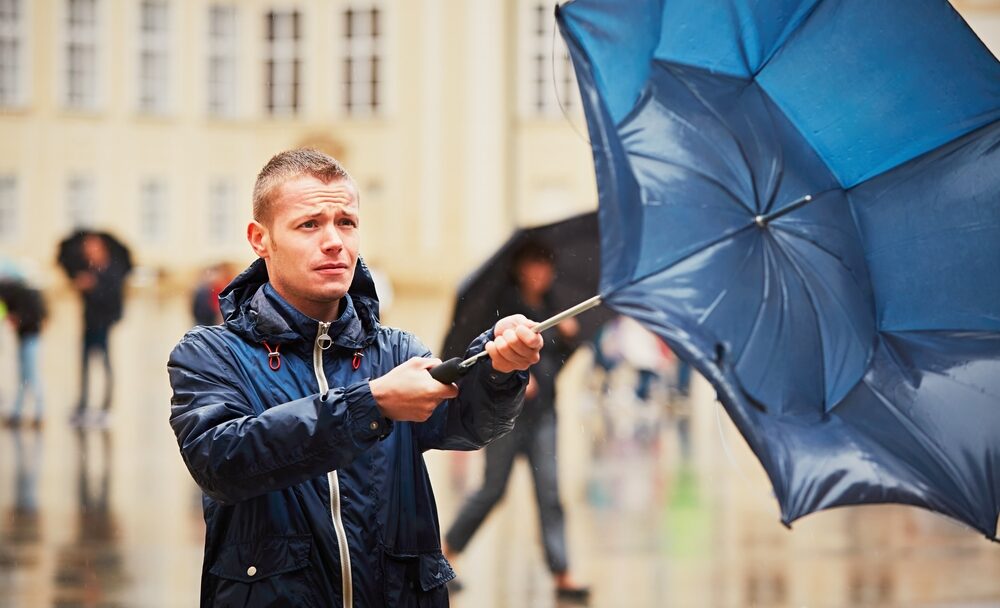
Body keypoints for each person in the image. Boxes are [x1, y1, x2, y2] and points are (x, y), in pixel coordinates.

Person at [166, 148, 544, 607]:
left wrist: (499, 369)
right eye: (309, 225)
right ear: (260, 239)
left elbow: (467, 424)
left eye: (346, 222)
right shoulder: (210, 354)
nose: (334, 241)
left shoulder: (397, 350)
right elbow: (222, 461)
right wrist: (370, 404)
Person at [443, 241, 590, 603]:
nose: (541, 274)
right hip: (505, 416)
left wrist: (571, 337)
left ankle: (562, 572)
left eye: (546, 266)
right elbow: (482, 355)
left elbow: (556, 361)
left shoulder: (554, 306)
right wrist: (514, 376)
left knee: (550, 493)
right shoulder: (503, 306)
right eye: (534, 265)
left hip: (544, 416)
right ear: (521, 268)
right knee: (493, 489)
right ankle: (446, 555)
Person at [71, 234, 129, 427]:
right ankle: (83, 405)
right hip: (89, 323)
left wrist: (93, 287)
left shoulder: (113, 270)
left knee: (105, 365)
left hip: (104, 324)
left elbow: (111, 298)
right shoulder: (89, 270)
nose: (90, 253)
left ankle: (106, 407)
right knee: (84, 366)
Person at [0, 279, 47, 428]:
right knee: (24, 376)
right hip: (26, 337)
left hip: (30, 337)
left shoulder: (19, 296)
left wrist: (17, 319)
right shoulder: (22, 295)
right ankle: (18, 412)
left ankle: (38, 412)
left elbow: (30, 318)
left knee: (31, 375)